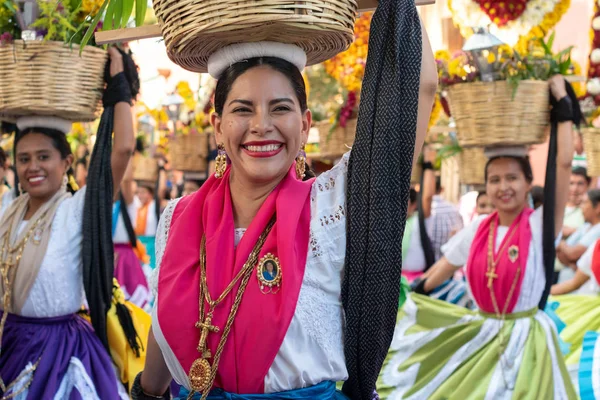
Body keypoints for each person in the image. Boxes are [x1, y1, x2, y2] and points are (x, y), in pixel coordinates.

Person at [133, 6, 437, 400]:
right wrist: (147, 390)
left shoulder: (333, 207)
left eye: (280, 108)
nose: (261, 125)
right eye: (242, 109)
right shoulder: (179, 217)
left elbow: (420, 88)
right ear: (217, 127)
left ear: (305, 124)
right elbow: (167, 317)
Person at [378, 74, 577, 399]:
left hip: (529, 342)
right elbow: (441, 269)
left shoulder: (542, 226)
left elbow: (564, 165)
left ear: (528, 183)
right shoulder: (478, 228)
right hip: (482, 334)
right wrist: (409, 295)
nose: (503, 187)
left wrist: (563, 108)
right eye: (495, 180)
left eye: (512, 178)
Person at [0, 48, 135, 398]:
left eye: (44, 157)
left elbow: (122, 150)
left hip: (60, 354)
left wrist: (118, 83)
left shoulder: (76, 210)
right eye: (24, 158)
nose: (33, 167)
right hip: (8, 345)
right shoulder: (6, 211)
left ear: (67, 162)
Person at [555, 189, 600, 283]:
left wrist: (562, 244)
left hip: (581, 290)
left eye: (584, 203)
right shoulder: (585, 226)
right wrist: (573, 264)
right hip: (566, 282)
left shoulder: (598, 229)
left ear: (598, 207)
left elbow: (573, 253)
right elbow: (559, 252)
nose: (581, 207)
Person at [430, 176, 463, 260]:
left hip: (428, 261)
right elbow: (460, 232)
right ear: (442, 189)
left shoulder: (423, 211)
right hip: (447, 260)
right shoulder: (453, 209)